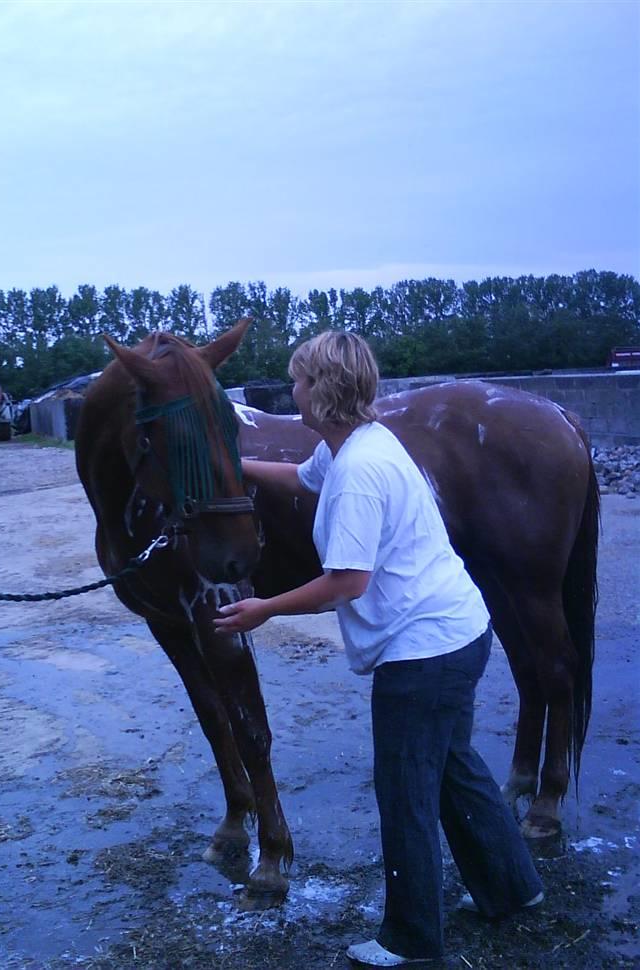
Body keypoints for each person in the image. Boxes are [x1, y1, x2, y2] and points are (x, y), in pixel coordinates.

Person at [213, 331, 543, 967]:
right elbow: (298, 479)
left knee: (405, 791)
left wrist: (265, 609)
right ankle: (512, 887)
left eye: (300, 380)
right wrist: (230, 466)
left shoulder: (362, 469)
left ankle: (412, 940)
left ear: (325, 389)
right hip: (456, 632)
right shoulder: (349, 446)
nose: (292, 391)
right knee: (454, 769)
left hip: (424, 655)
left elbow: (347, 582)